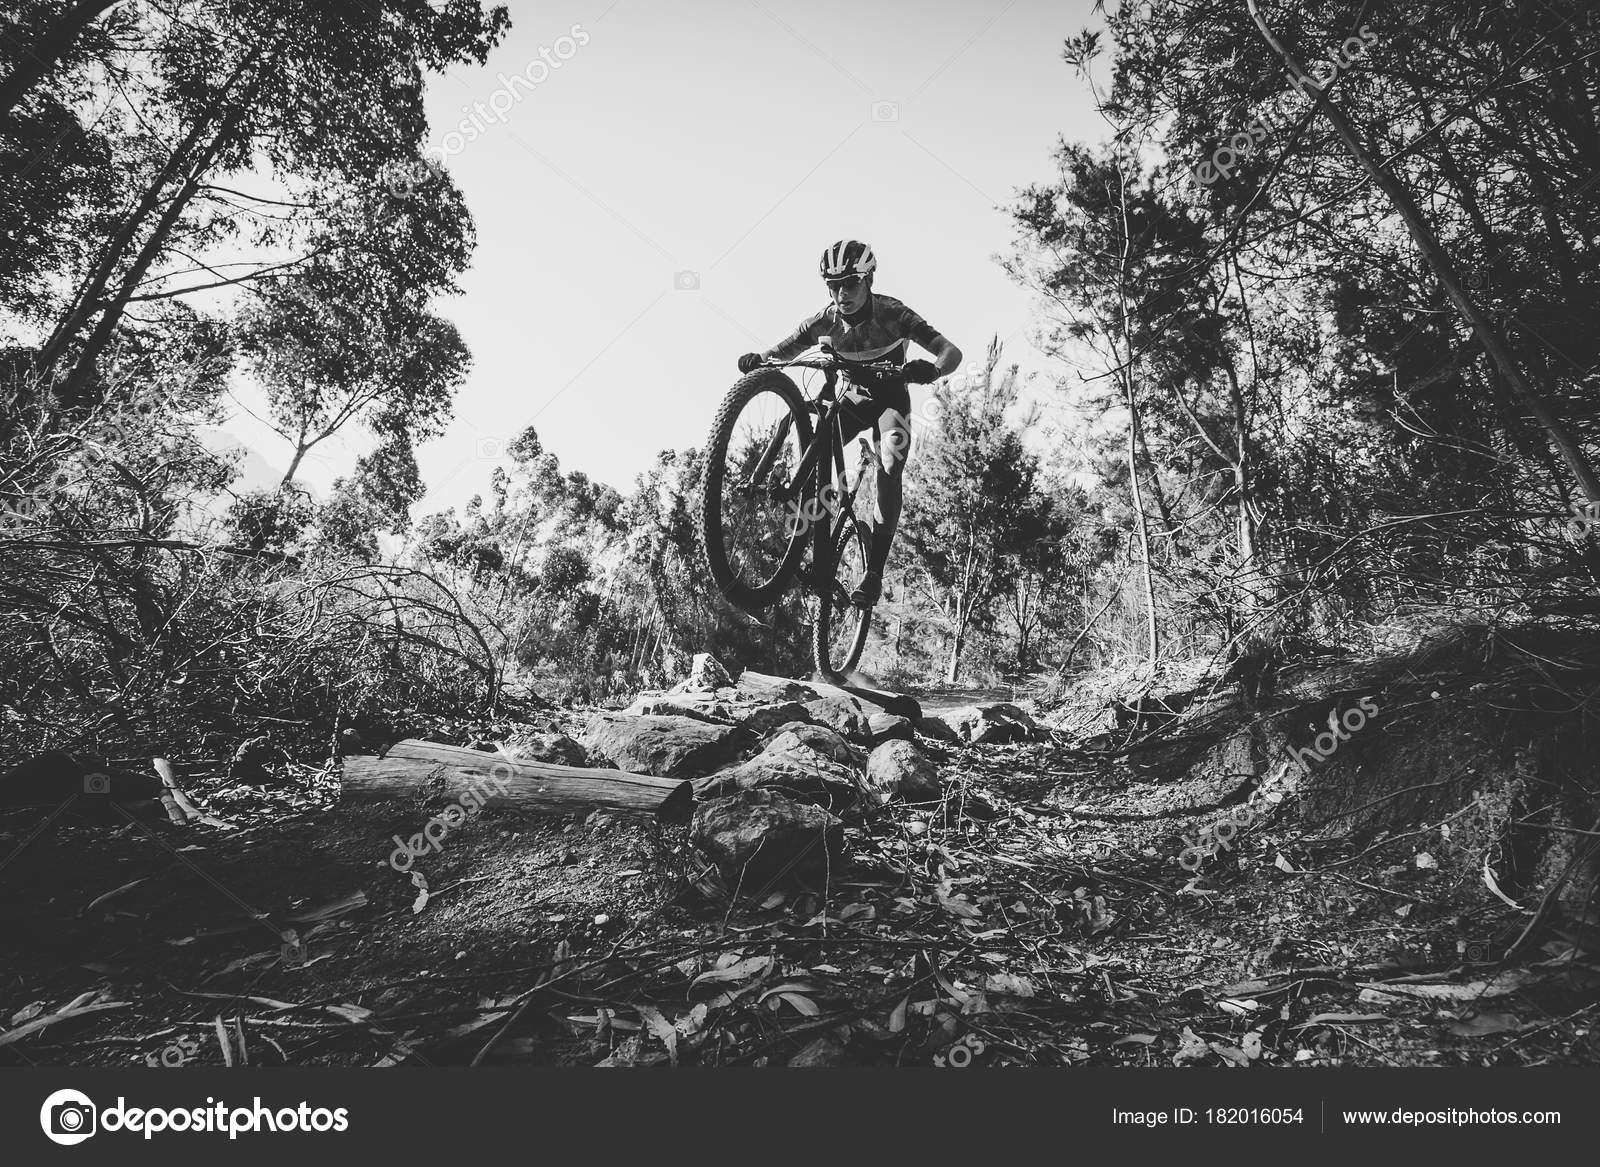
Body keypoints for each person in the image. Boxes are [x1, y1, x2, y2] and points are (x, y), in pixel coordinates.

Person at [736, 239, 962, 606]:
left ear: (869, 279)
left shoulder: (893, 313)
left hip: (892, 401)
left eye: (850, 284)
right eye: (833, 285)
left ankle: (874, 573)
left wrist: (933, 370)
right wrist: (758, 359)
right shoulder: (825, 321)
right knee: (816, 442)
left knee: (890, 463)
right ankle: (809, 528)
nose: (842, 293)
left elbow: (951, 351)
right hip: (854, 399)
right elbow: (783, 349)